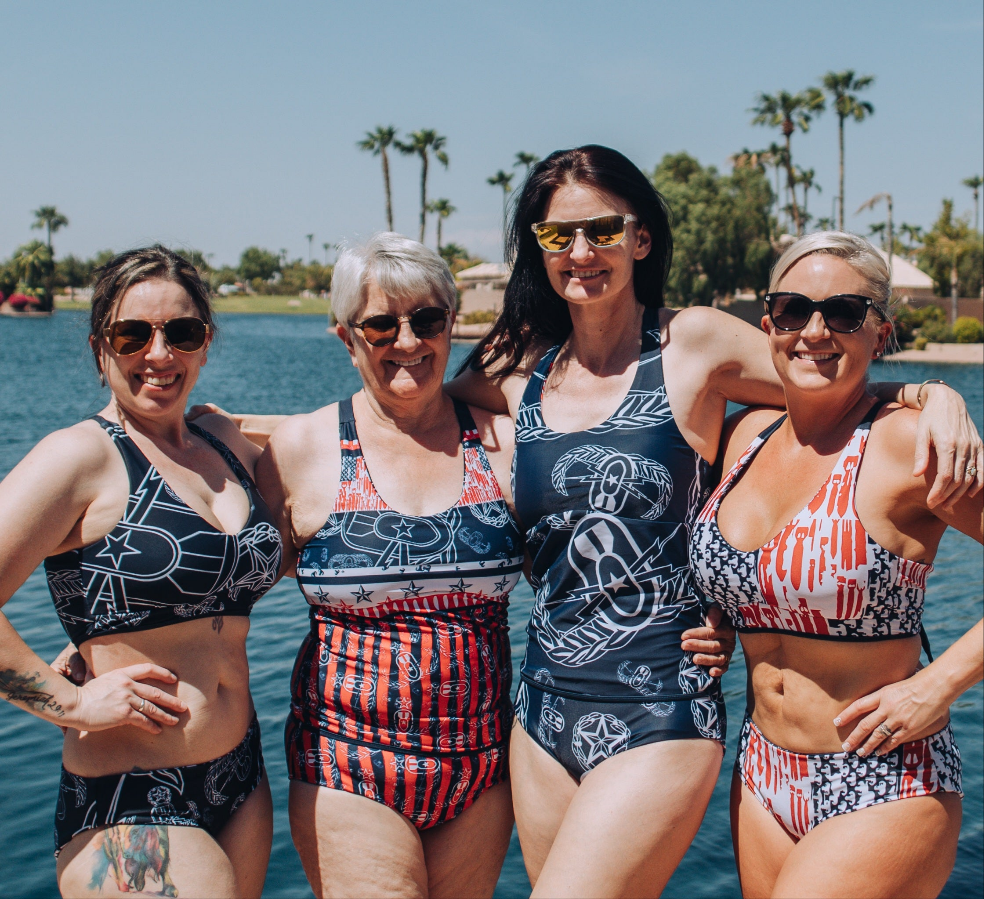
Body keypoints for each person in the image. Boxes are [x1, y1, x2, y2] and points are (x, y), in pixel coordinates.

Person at [444, 146, 982, 898]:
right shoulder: (520, 367)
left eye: (602, 228)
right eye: (556, 234)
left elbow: (824, 371)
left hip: (677, 708)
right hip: (559, 709)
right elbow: (416, 413)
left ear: (641, 237)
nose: (581, 250)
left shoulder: (694, 343)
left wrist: (933, 395)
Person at [690, 231, 981, 898]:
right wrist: (722, 616)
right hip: (762, 772)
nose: (814, 330)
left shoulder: (905, 443)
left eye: (844, 312)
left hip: (886, 777)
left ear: (880, 335)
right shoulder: (742, 437)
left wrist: (937, 687)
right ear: (768, 326)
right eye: (793, 309)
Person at [0, 246, 281, 898]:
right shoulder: (81, 457)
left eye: (181, 332)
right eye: (133, 334)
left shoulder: (224, 443)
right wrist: (68, 699)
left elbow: (346, 432)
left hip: (240, 779)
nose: (159, 353)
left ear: (206, 343)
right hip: (130, 798)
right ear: (102, 349)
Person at [254, 233, 524, 898]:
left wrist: (709, 618)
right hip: (346, 759)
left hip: (482, 764)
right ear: (346, 335)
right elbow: (231, 586)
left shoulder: (504, 442)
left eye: (427, 319)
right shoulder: (301, 449)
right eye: (381, 324)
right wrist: (107, 646)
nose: (408, 341)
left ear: (452, 324)